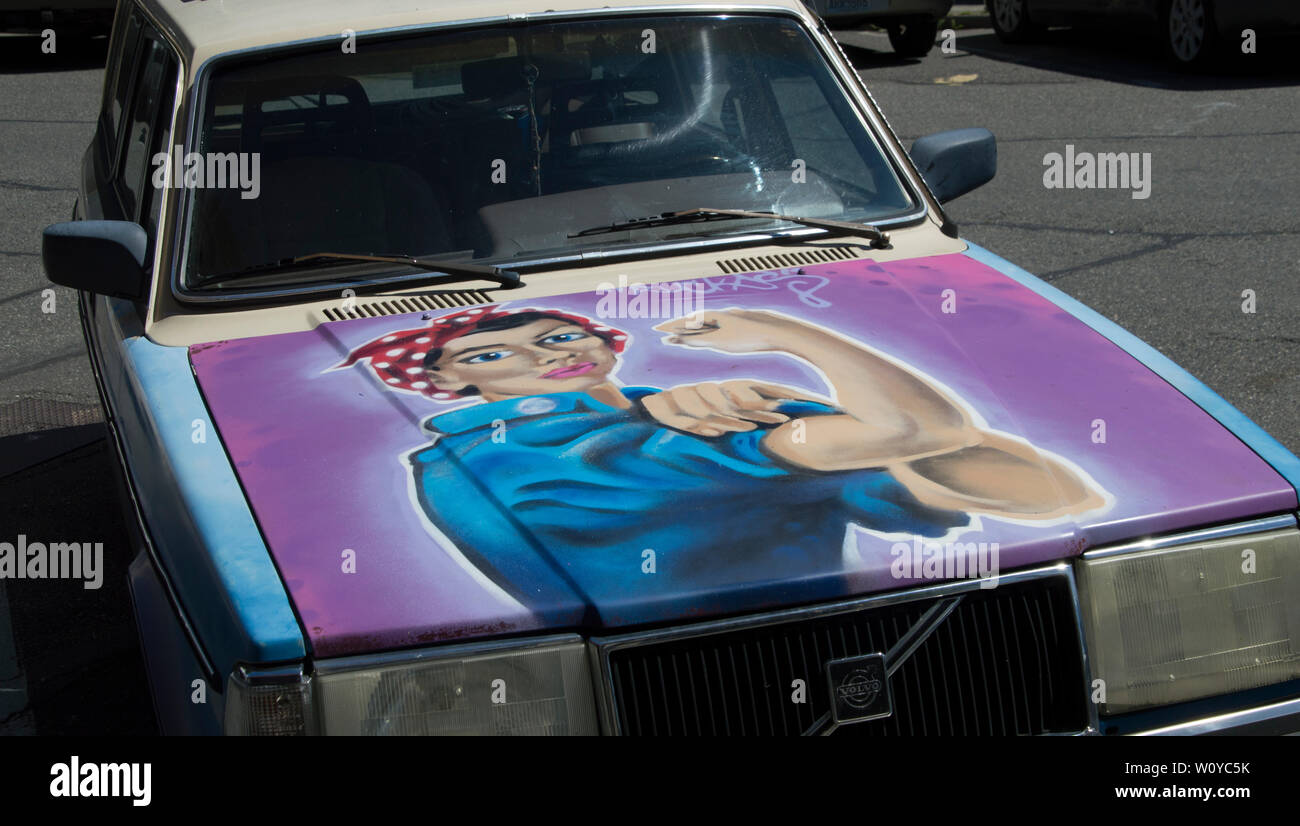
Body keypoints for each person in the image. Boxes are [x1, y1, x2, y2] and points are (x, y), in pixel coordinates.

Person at [337, 305, 1109, 615]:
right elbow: (914, 430)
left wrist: (813, 416)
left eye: (558, 336)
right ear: (447, 381)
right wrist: (787, 334)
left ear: (607, 342)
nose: (539, 356)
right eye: (492, 353)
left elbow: (1048, 495)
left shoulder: (687, 411)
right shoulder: (514, 457)